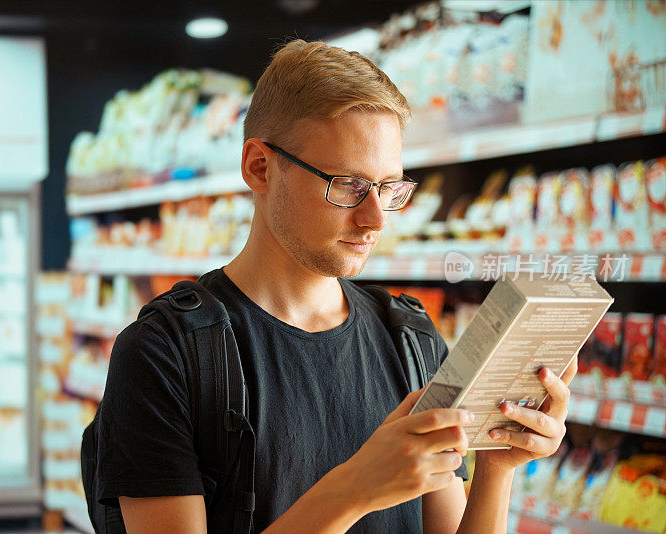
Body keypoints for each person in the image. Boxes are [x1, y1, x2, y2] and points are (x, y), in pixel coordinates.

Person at [95, 39, 575, 533]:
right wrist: (355, 489)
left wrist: (498, 465)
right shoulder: (164, 353)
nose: (375, 219)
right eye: (348, 184)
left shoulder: (409, 339)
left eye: (389, 189)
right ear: (259, 167)